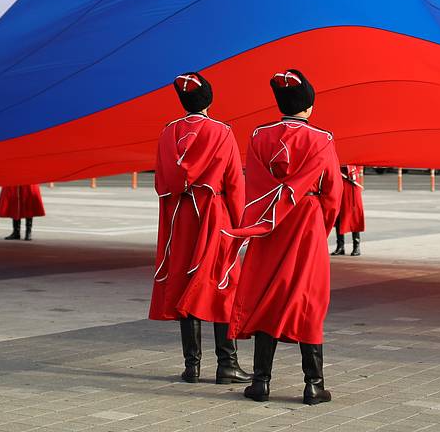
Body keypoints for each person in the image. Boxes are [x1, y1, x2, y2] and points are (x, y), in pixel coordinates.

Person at [229, 69, 341, 406]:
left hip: (270, 225)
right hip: (306, 222)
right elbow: (333, 193)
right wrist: (321, 229)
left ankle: (261, 382)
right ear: (308, 107)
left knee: (267, 297)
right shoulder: (322, 139)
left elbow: (254, 186)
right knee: (309, 299)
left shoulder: (259, 135)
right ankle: (313, 385)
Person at [149, 72, 249, 385]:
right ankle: (226, 364)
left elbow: (161, 181)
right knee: (222, 285)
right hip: (214, 215)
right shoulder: (222, 132)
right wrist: (239, 225)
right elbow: (234, 181)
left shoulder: (168, 132)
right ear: (209, 99)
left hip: (181, 218)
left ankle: (191, 366)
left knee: (183, 283)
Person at [330, 164, 365, 256]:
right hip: (341, 185)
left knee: (355, 216)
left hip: (352, 187)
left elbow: (358, 167)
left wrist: (351, 170)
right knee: (339, 216)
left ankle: (356, 246)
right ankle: (340, 246)